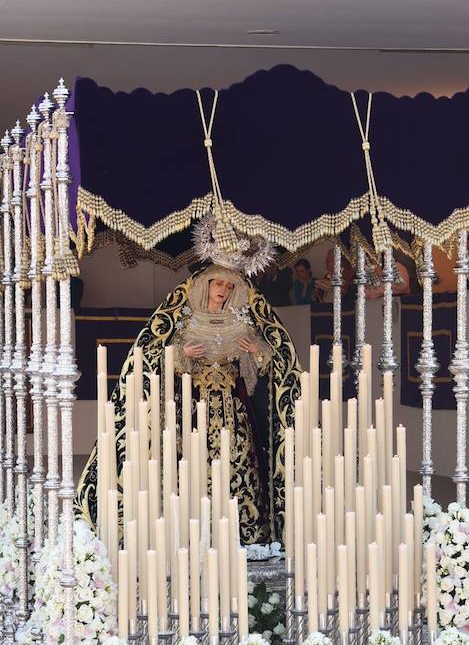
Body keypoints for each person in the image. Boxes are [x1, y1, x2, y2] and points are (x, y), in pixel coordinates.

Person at [77, 213, 301, 545]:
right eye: (218, 284)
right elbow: (155, 358)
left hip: (235, 417)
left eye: (228, 286)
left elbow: (268, 369)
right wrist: (182, 356)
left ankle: (244, 538)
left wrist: (257, 350)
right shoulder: (183, 320)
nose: (222, 291)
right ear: (206, 284)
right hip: (194, 417)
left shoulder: (242, 322)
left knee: (241, 476)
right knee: (193, 477)